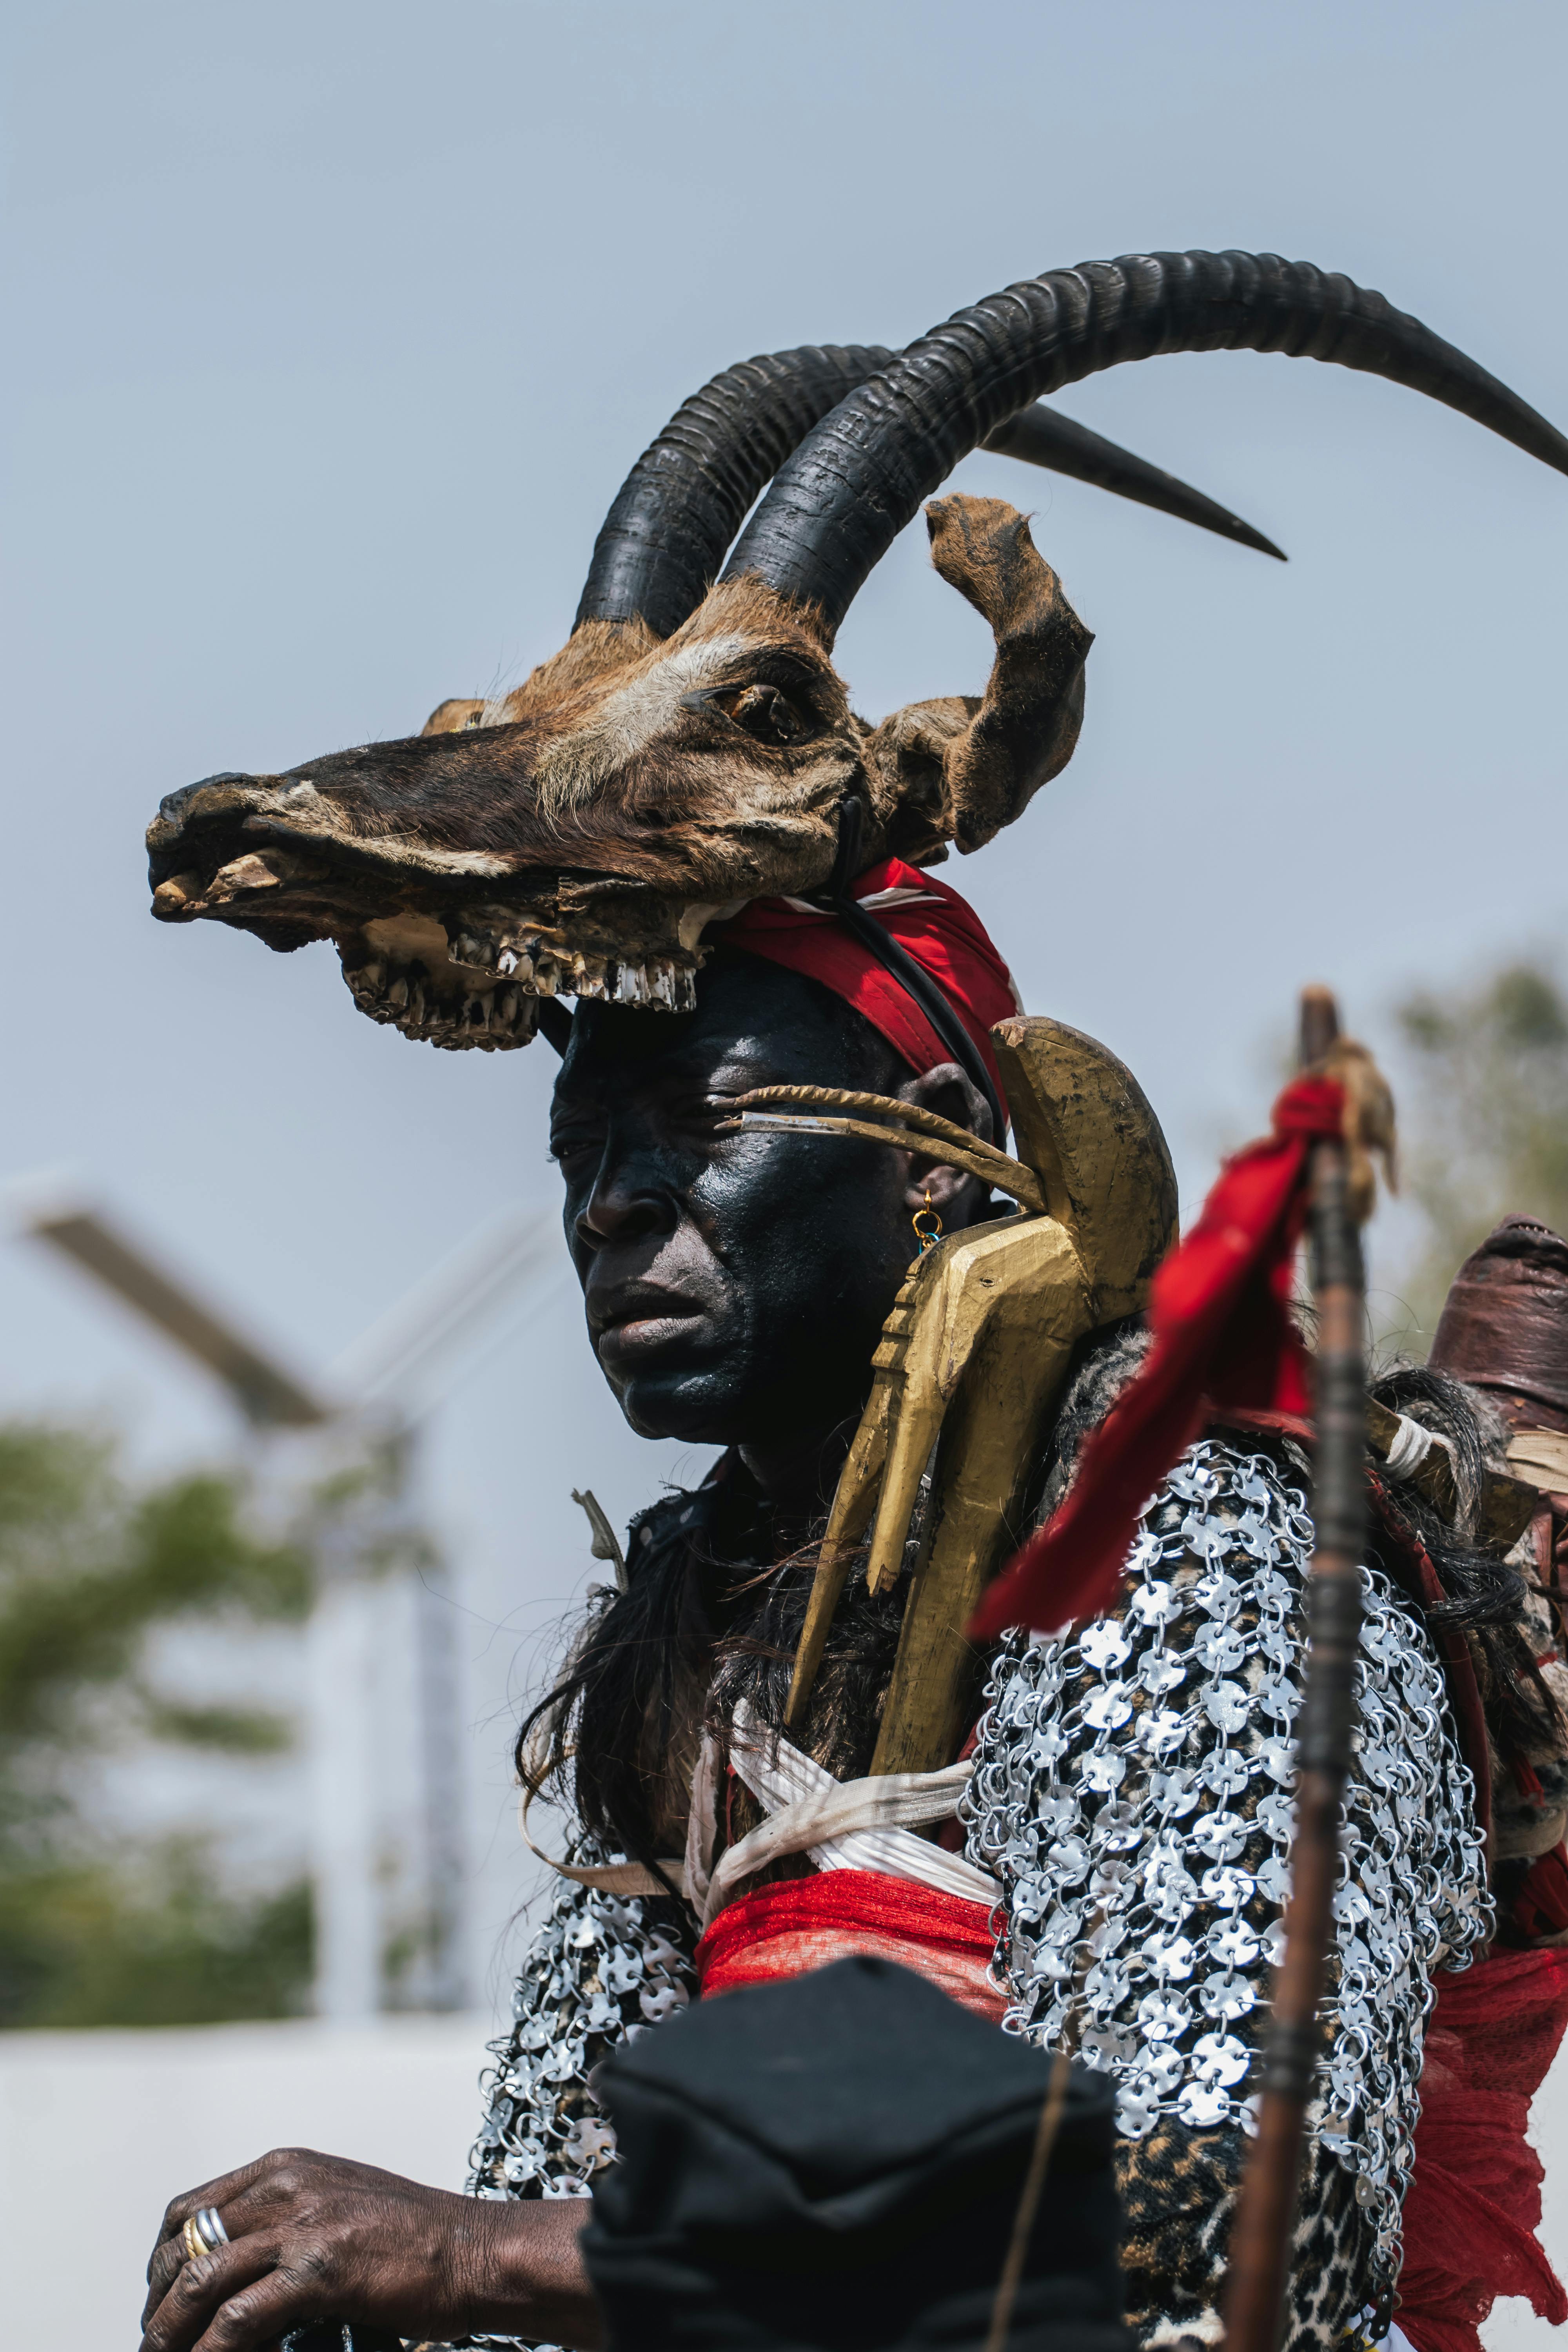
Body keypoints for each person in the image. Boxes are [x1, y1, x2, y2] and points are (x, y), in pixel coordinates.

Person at [139, 255, 1568, 2352]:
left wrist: (482, 2257)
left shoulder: (1194, 1540)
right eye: (580, 1158)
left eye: (693, 1134)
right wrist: (347, 2287)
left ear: (924, 1154)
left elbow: (1246, 2218)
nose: (618, 1210)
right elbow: (582, 2216)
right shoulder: (701, 1622)